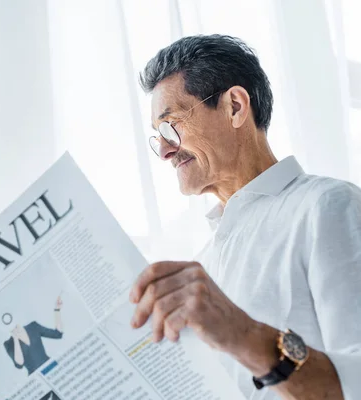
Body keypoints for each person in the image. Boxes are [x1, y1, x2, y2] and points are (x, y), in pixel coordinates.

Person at [129, 34, 361, 400]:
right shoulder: (202, 263)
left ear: (235, 106)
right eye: (157, 138)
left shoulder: (327, 207)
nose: (164, 152)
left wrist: (241, 333)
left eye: (169, 127)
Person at [3, 296, 64, 375]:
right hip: (37, 377)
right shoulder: (8, 344)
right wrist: (15, 338)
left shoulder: (33, 326)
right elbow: (19, 364)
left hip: (52, 367)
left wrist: (57, 310)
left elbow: (58, 334)